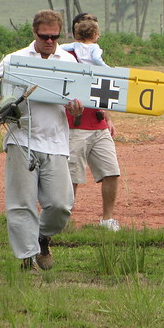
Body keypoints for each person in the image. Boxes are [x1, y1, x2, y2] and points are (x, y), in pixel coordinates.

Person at [0, 10, 83, 271]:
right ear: (34, 33)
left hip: (56, 141)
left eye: (55, 36)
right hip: (21, 137)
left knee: (61, 205)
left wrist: (76, 111)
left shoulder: (69, 61)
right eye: (44, 36)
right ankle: (27, 259)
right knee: (21, 203)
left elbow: (77, 105)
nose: (49, 41)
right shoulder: (16, 59)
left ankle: (41, 237)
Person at [64, 12, 121, 232]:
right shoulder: (66, 57)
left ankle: (107, 219)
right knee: (72, 176)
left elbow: (101, 88)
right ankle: (65, 219)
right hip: (74, 125)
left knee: (111, 171)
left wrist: (107, 116)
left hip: (98, 124)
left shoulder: (72, 50)